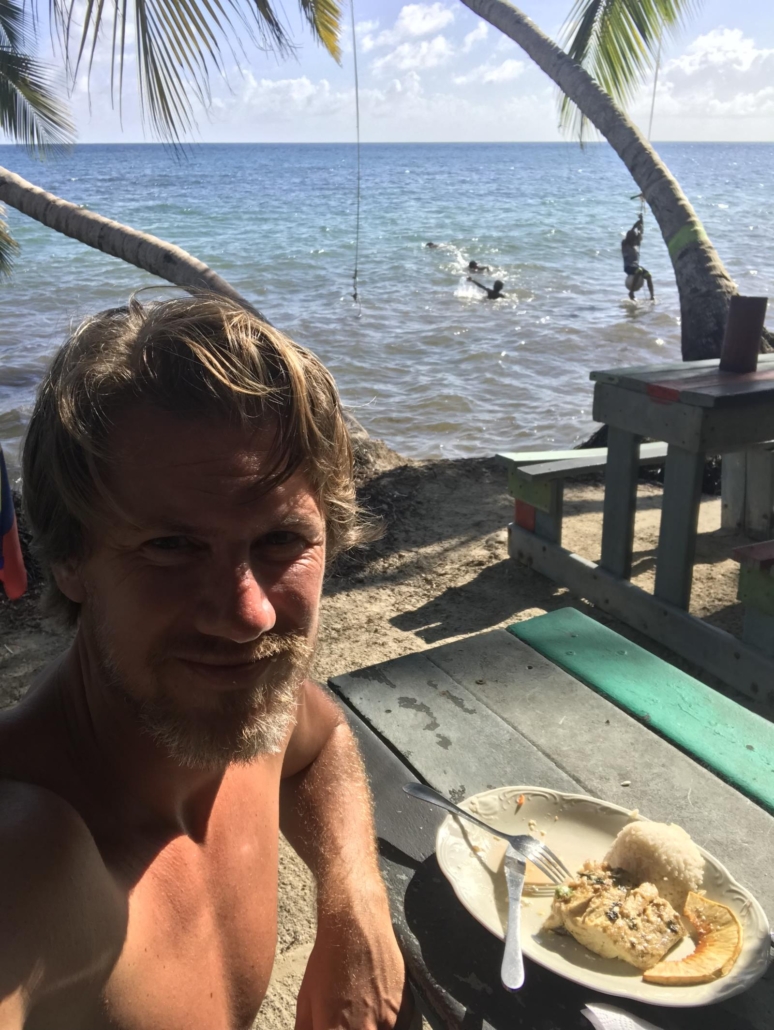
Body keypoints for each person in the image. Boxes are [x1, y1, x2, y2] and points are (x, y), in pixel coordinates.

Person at [0, 295, 415, 1030]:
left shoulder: (245, 710)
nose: (248, 617)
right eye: (171, 546)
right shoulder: (33, 854)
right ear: (68, 559)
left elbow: (319, 741)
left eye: (282, 541)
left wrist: (355, 899)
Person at [621, 214, 655, 300]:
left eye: (634, 238)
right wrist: (634, 227)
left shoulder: (635, 245)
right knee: (639, 270)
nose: (634, 240)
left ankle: (652, 296)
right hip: (628, 267)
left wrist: (641, 220)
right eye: (632, 238)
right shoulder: (625, 244)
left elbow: (641, 232)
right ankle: (631, 292)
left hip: (635, 267)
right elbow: (631, 231)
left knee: (648, 275)